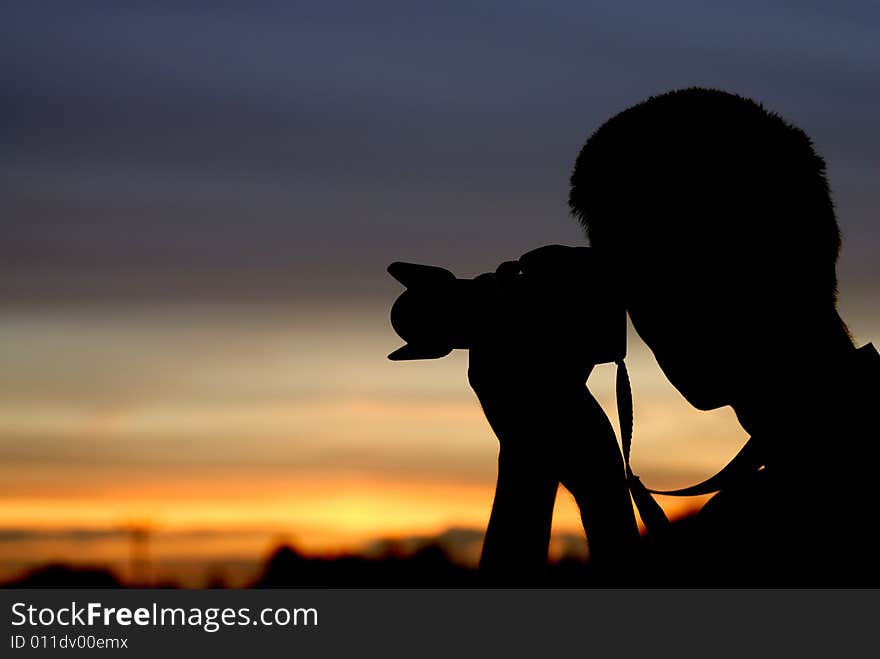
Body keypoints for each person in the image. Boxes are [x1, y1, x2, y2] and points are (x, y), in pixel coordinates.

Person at [471, 88, 878, 585]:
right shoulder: (806, 485)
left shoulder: (777, 525)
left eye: (651, 272)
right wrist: (587, 476)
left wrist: (531, 462)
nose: (647, 312)